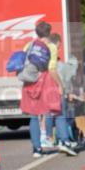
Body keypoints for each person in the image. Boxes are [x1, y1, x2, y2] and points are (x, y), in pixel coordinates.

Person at [19, 22, 73, 157]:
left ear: (36, 33)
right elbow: (52, 69)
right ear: (49, 32)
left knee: (33, 115)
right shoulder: (51, 47)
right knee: (57, 111)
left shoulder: (29, 45)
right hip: (46, 82)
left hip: (30, 82)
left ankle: (36, 149)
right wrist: (60, 85)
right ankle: (64, 142)